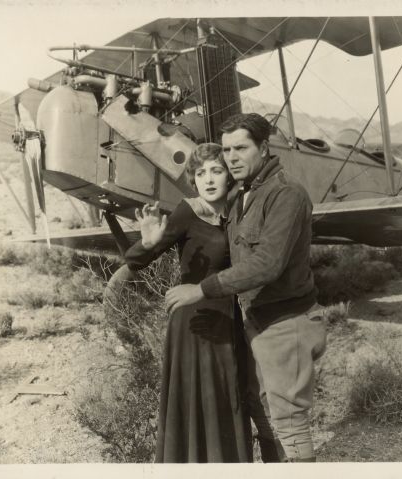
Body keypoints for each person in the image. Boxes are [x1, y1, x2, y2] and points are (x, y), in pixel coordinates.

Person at [165, 113, 327, 462]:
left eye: (241, 148)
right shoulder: (244, 194)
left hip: (286, 322)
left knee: (289, 423)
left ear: (264, 148)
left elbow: (267, 264)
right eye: (226, 150)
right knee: (263, 413)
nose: (232, 157)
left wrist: (201, 289)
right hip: (257, 320)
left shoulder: (285, 194)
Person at [123, 143, 251, 463]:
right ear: (193, 180)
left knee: (228, 399)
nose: (208, 179)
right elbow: (136, 261)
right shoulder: (187, 210)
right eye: (200, 173)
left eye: (216, 171)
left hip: (230, 319)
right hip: (194, 323)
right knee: (201, 401)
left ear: (230, 176)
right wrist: (148, 241)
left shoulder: (240, 214)